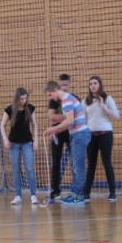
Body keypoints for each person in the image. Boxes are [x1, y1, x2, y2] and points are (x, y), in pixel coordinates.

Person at [43, 80, 91, 205]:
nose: (50, 98)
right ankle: (75, 194)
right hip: (76, 134)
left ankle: (78, 196)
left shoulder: (66, 100)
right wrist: (56, 131)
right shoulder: (66, 99)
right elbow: (69, 123)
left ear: (54, 90)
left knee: (77, 166)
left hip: (79, 134)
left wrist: (53, 129)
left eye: (50, 95)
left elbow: (69, 121)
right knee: (75, 165)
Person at [83, 76, 120, 202]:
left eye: (95, 83)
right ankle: (86, 193)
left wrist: (103, 106)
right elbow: (84, 119)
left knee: (107, 162)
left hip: (105, 134)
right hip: (91, 136)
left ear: (100, 85)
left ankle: (112, 193)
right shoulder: (86, 102)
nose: (93, 86)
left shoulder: (108, 99)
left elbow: (116, 116)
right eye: (90, 84)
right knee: (91, 164)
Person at [0, 88, 39, 205]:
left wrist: (36, 140)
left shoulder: (30, 108)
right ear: (17, 98)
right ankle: (18, 195)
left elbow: (34, 125)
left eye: (25, 98)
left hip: (27, 142)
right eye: (21, 99)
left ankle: (33, 195)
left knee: (29, 168)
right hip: (14, 144)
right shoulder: (9, 110)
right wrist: (5, 139)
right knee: (16, 169)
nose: (23, 101)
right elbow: (2, 125)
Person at [47, 73, 72, 201]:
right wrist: (66, 117)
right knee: (56, 161)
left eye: (65, 85)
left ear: (69, 85)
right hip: (56, 132)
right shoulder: (53, 100)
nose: (64, 87)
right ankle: (55, 190)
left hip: (70, 132)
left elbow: (74, 118)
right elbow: (51, 117)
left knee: (75, 161)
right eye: (61, 85)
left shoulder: (72, 98)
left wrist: (64, 119)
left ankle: (76, 190)